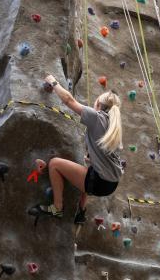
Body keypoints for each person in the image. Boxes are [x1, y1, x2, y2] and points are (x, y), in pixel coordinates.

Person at [38, 74, 124, 224]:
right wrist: (92, 159)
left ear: (98, 104)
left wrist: (53, 81)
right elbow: (108, 155)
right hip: (111, 183)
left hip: (99, 182)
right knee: (87, 169)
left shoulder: (96, 117)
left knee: (54, 164)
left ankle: (57, 208)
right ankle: (81, 213)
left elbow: (69, 100)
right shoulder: (114, 126)